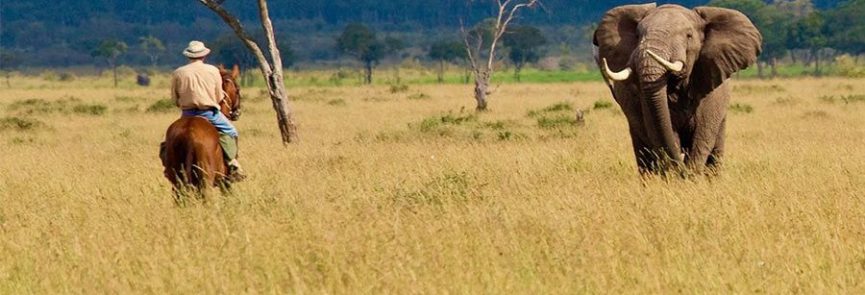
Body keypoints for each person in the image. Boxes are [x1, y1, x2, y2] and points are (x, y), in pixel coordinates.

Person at [169, 40, 246, 181]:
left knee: (168, 139)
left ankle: (168, 167)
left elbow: (175, 98)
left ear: (188, 56)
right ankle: (232, 164)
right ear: (204, 55)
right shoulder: (213, 71)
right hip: (209, 113)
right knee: (232, 132)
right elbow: (219, 95)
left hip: (186, 114)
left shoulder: (178, 72)